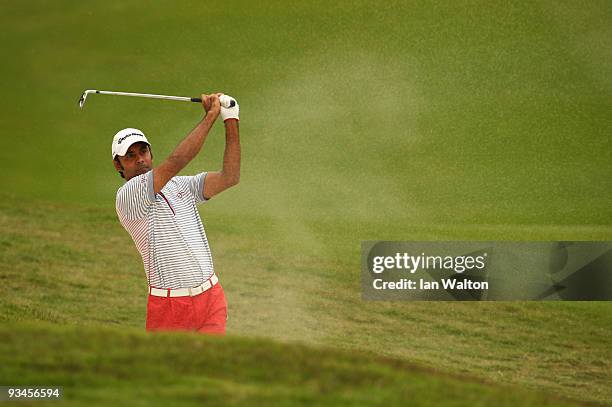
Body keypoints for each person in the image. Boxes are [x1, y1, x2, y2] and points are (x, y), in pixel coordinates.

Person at [111, 93, 240, 334]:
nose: (140, 159)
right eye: (130, 155)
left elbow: (229, 177)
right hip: (170, 307)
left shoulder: (181, 185)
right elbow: (178, 160)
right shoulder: (127, 196)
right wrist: (211, 115)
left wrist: (230, 118)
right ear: (118, 165)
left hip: (210, 297)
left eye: (143, 151)